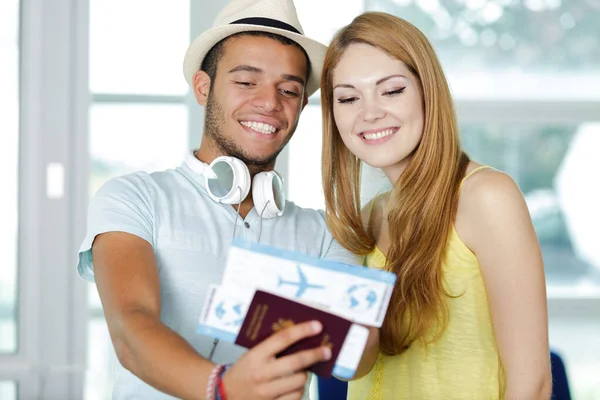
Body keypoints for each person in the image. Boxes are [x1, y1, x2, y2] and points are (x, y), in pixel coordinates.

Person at [76, 0, 360, 399]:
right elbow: (130, 326)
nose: (269, 102)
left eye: (289, 89)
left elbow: (355, 351)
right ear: (203, 88)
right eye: (246, 82)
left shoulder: (327, 234)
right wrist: (222, 388)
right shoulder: (134, 198)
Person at [321, 12, 553, 400]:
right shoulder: (365, 220)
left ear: (428, 92)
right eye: (348, 98)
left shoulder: (486, 198)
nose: (370, 113)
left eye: (392, 90)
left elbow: (532, 385)